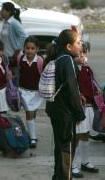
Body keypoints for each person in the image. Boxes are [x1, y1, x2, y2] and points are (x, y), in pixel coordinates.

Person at [45, 30, 86, 180]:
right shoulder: (67, 60)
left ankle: (57, 177)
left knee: (60, 147)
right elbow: (72, 91)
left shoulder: (61, 58)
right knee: (66, 150)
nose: (80, 45)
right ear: (69, 46)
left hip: (56, 110)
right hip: (65, 113)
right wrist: (79, 113)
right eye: (78, 42)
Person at [71, 44, 99, 178]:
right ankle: (72, 164)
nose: (81, 56)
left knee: (86, 133)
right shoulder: (72, 69)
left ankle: (85, 161)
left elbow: (92, 86)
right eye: (78, 54)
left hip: (89, 106)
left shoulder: (87, 69)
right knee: (76, 135)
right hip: (79, 107)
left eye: (83, 53)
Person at [11, 36, 43, 148]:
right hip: (23, 91)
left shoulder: (40, 61)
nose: (29, 50)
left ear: (37, 49)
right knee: (29, 112)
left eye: (32, 48)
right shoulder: (20, 58)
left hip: (36, 93)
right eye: (27, 48)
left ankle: (31, 132)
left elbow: (43, 75)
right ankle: (32, 138)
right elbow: (13, 67)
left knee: (33, 113)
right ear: (24, 48)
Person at [0, 2, 27, 86]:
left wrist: (17, 52)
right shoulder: (5, 22)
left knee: (13, 84)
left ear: (8, 12)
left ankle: (15, 99)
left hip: (12, 58)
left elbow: (24, 36)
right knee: (8, 83)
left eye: (2, 9)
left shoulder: (13, 23)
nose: (0, 11)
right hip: (6, 57)